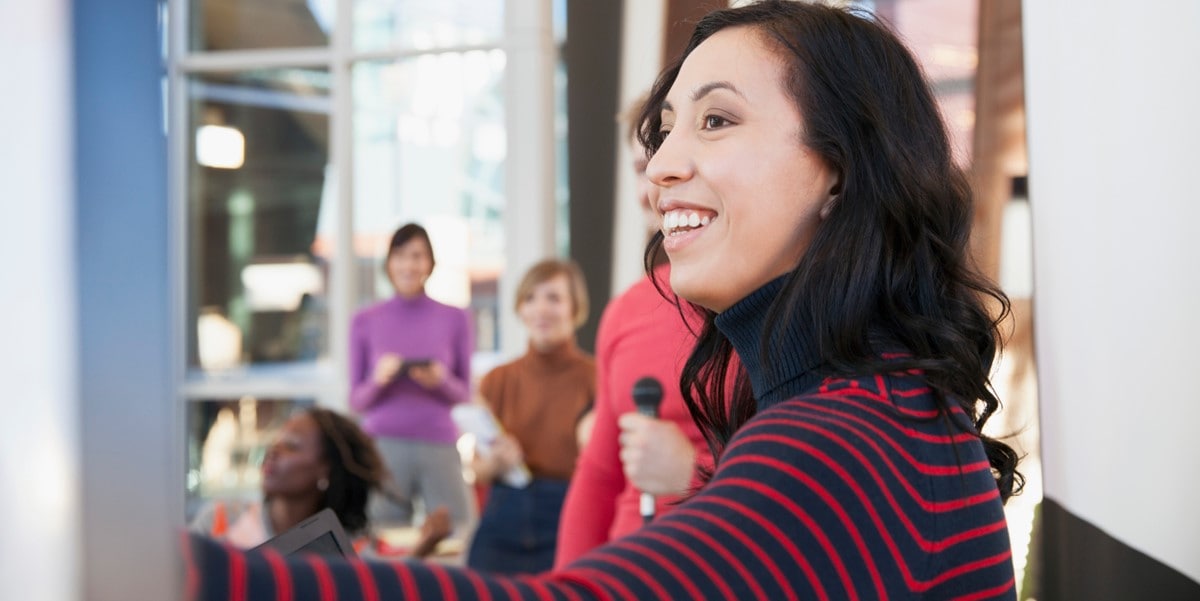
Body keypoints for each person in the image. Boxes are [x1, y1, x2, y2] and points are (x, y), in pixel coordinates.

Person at [186, 3, 1022, 597]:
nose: (660, 167)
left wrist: (181, 574)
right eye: (664, 132)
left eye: (717, 121)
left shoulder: (845, 440)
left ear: (841, 167)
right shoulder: (871, 399)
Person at [553, 98, 710, 568]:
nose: (657, 184)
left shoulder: (780, 309)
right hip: (623, 569)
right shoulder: (626, 310)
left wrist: (696, 476)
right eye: (644, 167)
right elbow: (599, 475)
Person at [465, 259, 596, 574]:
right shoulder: (497, 379)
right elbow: (477, 469)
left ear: (575, 308)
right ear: (519, 308)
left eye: (553, 298)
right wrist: (498, 462)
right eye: (530, 298)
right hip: (503, 513)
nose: (540, 309)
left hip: (568, 516)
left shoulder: (598, 377)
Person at [189, 407, 451, 559]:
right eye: (275, 443)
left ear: (326, 470)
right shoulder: (220, 521)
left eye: (291, 447)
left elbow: (381, 590)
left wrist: (420, 551)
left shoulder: (348, 549)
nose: (273, 452)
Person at [348, 223, 475, 533]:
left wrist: (440, 380)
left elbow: (465, 394)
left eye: (418, 256)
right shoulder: (365, 321)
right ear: (389, 263)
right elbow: (356, 401)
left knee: (459, 529)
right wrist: (379, 379)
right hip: (384, 446)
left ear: (430, 263)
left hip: (440, 442)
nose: (409, 264)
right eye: (401, 255)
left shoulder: (456, 318)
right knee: (383, 533)